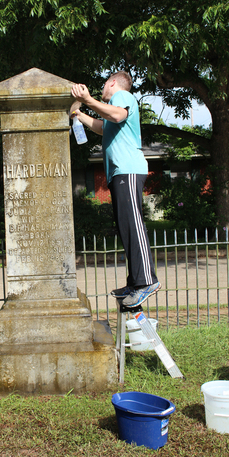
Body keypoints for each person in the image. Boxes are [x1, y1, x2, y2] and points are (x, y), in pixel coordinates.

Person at [71, 72, 161, 307]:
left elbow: (118, 116)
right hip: (118, 174)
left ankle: (147, 281)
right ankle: (135, 282)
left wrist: (88, 99)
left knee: (133, 224)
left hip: (128, 170)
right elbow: (102, 127)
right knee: (125, 228)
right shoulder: (111, 106)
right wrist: (80, 113)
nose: (102, 88)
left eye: (103, 84)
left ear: (112, 82)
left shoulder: (123, 96)